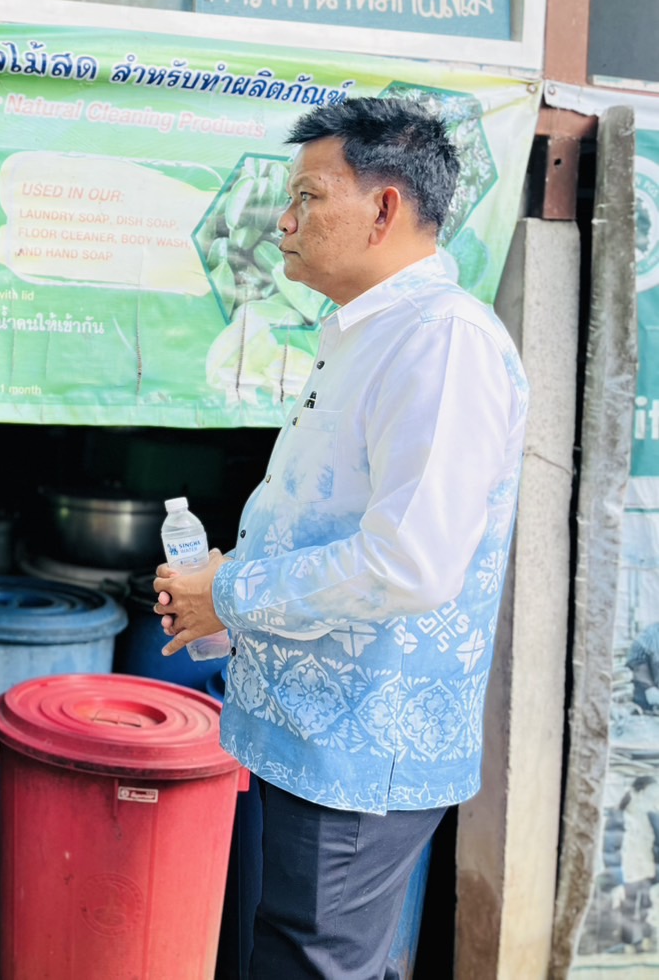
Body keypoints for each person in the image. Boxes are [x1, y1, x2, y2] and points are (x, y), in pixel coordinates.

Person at [155, 97, 529, 979]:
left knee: (309, 963)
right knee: (287, 951)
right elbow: (327, 524)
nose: (283, 221)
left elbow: (409, 562)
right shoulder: (368, 335)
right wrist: (227, 593)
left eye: (309, 197)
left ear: (386, 208)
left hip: (359, 746)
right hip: (310, 733)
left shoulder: (442, 343)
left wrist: (234, 594)